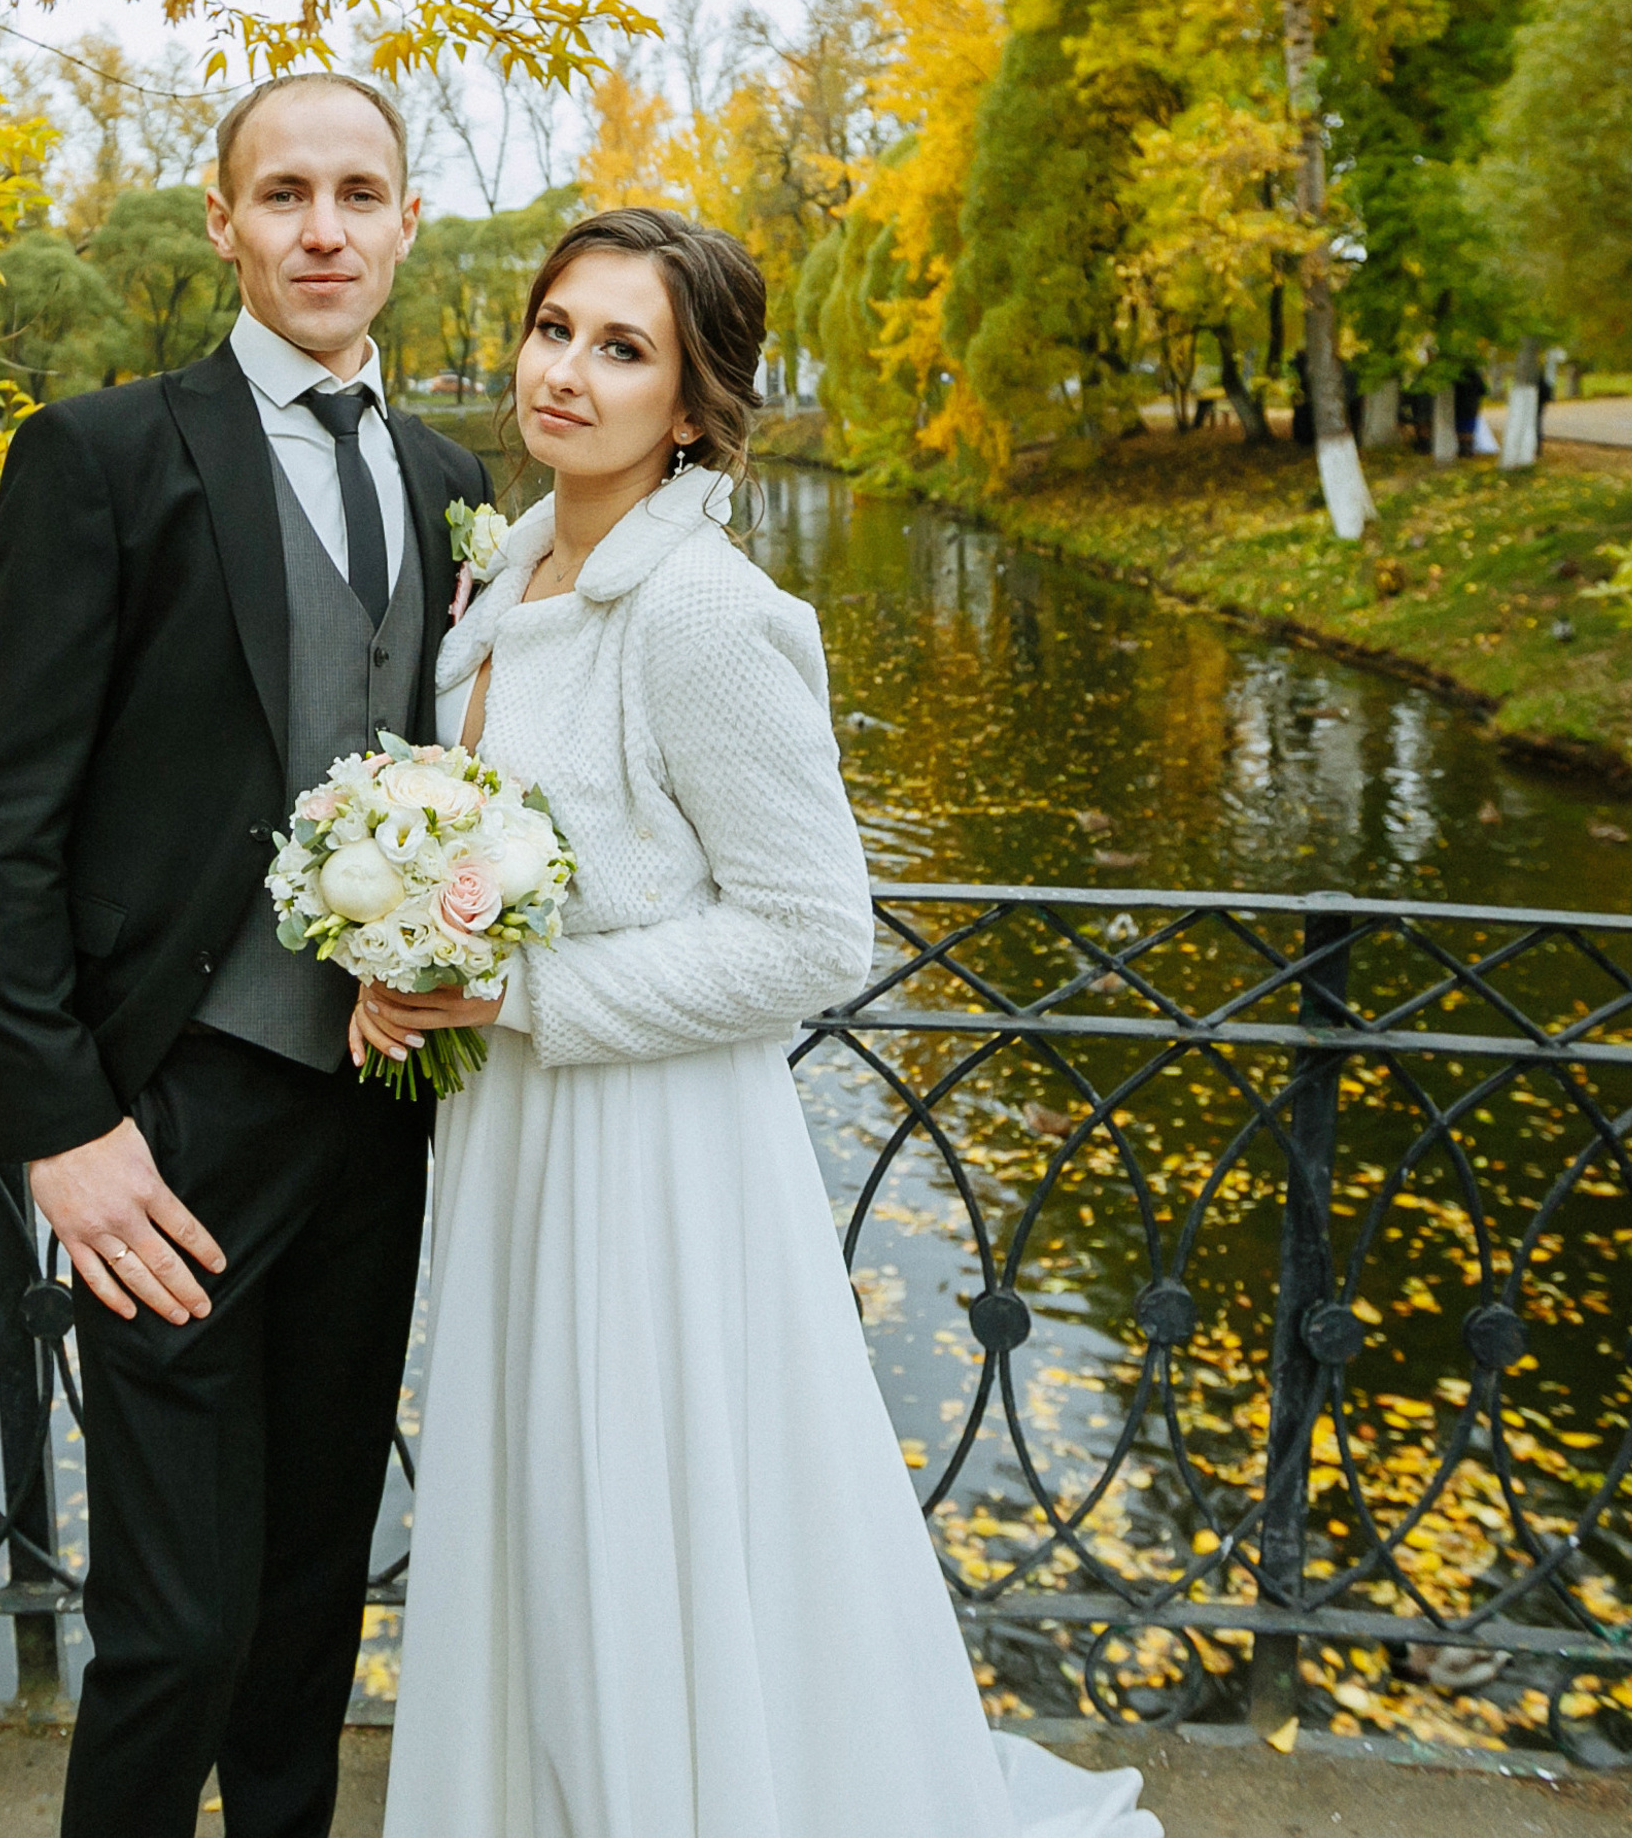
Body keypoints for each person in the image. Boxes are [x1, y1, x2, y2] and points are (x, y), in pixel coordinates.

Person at [365, 208, 1160, 1838]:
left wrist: (517, 991)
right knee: (533, 1511)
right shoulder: (506, 570)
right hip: (514, 1138)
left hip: (651, 1153)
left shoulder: (705, 614)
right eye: (554, 328)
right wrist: (398, 939)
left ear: (698, 400)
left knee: (637, 1522)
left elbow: (813, 931)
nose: (566, 373)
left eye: (623, 348)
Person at [0, 73, 489, 1838]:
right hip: (163, 1130)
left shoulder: (451, 477)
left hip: (378, 1112)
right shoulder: (102, 455)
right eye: (284, 195)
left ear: (407, 219)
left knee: (310, 1603)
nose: (322, 229)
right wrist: (63, 1129)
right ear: (224, 225)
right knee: (173, 1624)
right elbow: (1, 820)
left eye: (358, 194)